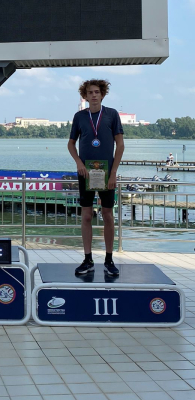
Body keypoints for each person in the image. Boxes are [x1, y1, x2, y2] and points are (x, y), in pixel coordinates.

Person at [68, 79, 124, 276]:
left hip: (107, 173)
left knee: (108, 215)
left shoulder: (112, 114)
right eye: (90, 92)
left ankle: (109, 259)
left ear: (102, 94)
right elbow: (71, 144)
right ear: (85, 96)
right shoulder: (79, 116)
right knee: (86, 215)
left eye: (97, 92)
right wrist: (79, 163)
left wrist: (114, 172)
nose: (93, 95)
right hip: (86, 172)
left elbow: (120, 145)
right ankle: (87, 259)